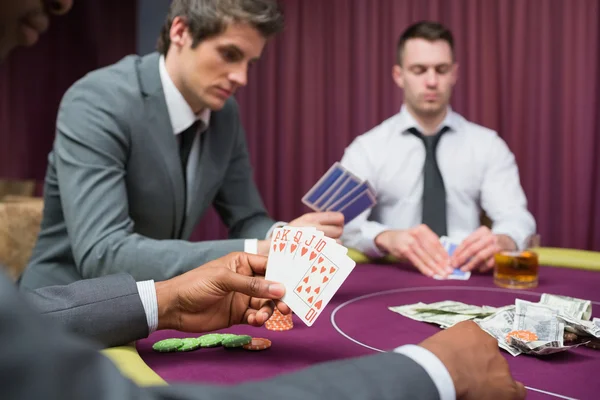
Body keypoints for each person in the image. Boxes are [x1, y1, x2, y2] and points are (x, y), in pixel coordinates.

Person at [18, 0, 344, 291]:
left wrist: (285, 237)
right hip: (61, 312)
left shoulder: (225, 113)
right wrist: (258, 251)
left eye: (249, 63)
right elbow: (104, 254)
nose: (241, 77)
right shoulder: (98, 101)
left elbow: (248, 219)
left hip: (152, 305)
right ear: (181, 31)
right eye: (229, 54)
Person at [339, 21, 536, 279]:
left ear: (454, 73)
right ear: (399, 75)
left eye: (441, 70)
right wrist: (385, 237)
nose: (431, 81)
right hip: (393, 279)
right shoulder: (366, 149)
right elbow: (341, 225)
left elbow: (517, 217)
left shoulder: (488, 145)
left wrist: (505, 239)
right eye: (419, 70)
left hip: (469, 279)